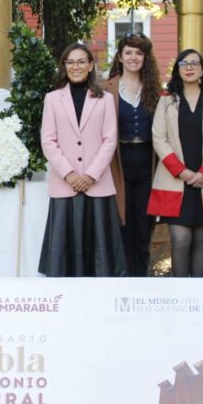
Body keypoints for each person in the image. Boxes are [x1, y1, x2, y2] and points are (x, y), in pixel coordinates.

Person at [38, 44, 127, 278]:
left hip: (97, 185)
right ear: (64, 66)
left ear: (90, 66)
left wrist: (90, 175)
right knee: (64, 250)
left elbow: (110, 140)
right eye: (70, 62)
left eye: (80, 62)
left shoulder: (105, 99)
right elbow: (48, 141)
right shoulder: (52, 99)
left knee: (99, 251)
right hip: (64, 185)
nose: (75, 67)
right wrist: (70, 174)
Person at [147, 49, 203, 278]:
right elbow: (158, 137)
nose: (189, 67)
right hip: (176, 179)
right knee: (181, 239)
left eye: (195, 63)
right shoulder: (167, 99)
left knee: (202, 241)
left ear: (202, 69)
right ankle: (181, 295)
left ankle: (199, 295)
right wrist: (182, 172)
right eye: (184, 63)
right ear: (178, 69)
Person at [103, 34, 161, 276]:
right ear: (120, 57)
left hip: (147, 163)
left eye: (138, 53)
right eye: (128, 53)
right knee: (121, 224)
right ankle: (122, 280)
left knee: (143, 225)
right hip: (118, 163)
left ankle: (141, 279)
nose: (133, 57)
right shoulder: (106, 90)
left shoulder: (156, 91)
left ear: (145, 57)